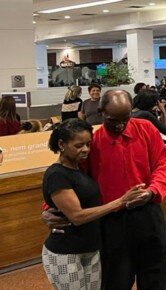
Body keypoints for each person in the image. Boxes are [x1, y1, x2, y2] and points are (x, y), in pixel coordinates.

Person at [45, 90, 166, 289]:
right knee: (115, 279)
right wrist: (48, 208)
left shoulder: (146, 129)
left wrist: (152, 191)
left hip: (148, 214)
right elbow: (70, 178)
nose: (120, 125)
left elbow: (162, 165)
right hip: (111, 221)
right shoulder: (92, 143)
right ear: (101, 112)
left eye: (126, 118)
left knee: (155, 276)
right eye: (113, 119)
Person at [41, 119, 144, 290]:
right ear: (61, 144)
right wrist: (121, 201)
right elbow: (77, 216)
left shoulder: (79, 170)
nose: (86, 150)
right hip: (66, 251)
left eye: (88, 144)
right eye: (79, 145)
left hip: (91, 248)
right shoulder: (57, 174)